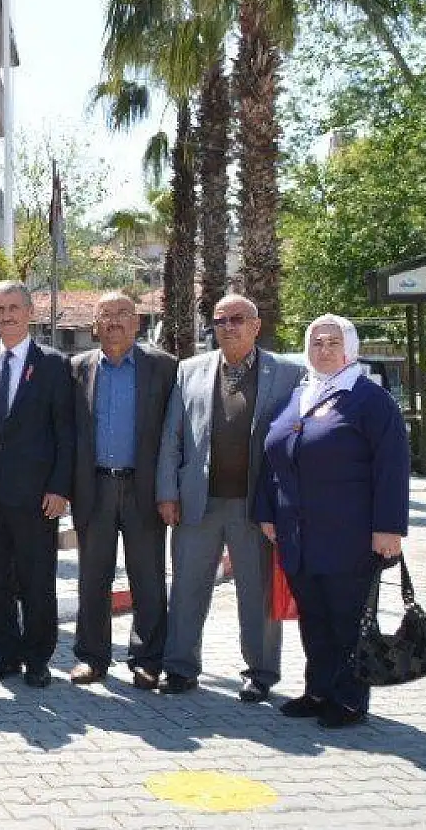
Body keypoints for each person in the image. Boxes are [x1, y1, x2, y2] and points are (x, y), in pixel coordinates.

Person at [254, 315, 410, 728]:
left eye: (332, 342)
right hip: (298, 534)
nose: (323, 349)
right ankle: (319, 689)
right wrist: (267, 512)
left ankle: (350, 699)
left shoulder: (369, 399)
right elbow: (272, 461)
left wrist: (389, 529)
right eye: (316, 342)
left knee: (348, 619)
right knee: (314, 617)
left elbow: (392, 467)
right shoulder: (298, 395)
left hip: (350, 534)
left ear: (350, 348)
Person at [156, 293, 303, 700]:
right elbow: (172, 438)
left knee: (256, 593)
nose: (228, 326)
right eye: (220, 320)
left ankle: (260, 672)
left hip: (255, 506)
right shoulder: (190, 371)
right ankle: (180, 668)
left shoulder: (287, 375)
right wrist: (167, 492)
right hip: (197, 502)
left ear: (256, 326)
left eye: (238, 319)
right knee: (187, 587)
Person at [0, 281, 74, 688]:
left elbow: (66, 433)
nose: (7, 315)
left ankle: (37, 659)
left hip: (36, 498)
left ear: (29, 312)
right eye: (0, 308)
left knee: (36, 582)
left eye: (14, 307)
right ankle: (3, 657)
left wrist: (60, 488)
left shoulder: (53, 364)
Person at [67, 293, 178, 689]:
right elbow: (68, 436)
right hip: (93, 486)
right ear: (95, 324)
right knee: (92, 577)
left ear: (137, 323)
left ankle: (147, 659)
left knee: (146, 576)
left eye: (122, 315)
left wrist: (171, 490)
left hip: (143, 489)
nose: (114, 322)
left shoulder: (163, 368)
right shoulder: (76, 368)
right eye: (106, 315)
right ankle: (91, 658)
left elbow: (176, 433)